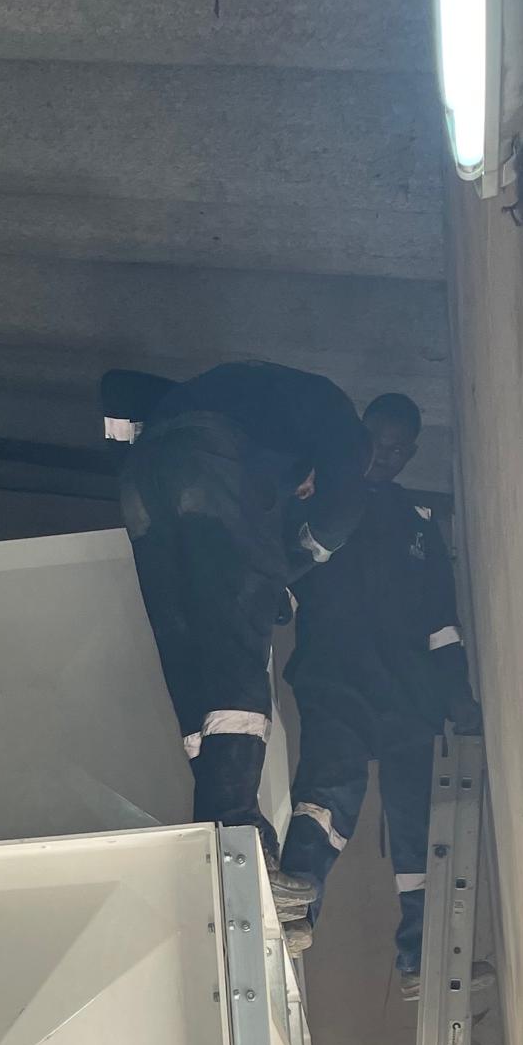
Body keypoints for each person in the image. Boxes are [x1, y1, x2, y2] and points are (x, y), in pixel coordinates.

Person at [107, 362, 370, 852]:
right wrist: (293, 564)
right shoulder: (338, 418)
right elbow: (342, 509)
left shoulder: (246, 393)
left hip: (143, 481)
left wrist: (124, 454)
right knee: (237, 650)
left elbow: (118, 386)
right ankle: (233, 820)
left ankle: (215, 806)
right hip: (209, 469)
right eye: (306, 489)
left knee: (186, 647)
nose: (301, 492)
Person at [273, 392, 475, 988]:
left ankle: (421, 959)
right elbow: (285, 575)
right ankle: (290, 918)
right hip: (335, 680)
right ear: (359, 435)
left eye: (397, 448)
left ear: (410, 453)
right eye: (376, 442)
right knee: (329, 792)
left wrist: (457, 693)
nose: (384, 455)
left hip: (409, 696)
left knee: (418, 825)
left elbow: (441, 622)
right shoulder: (323, 499)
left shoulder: (418, 526)